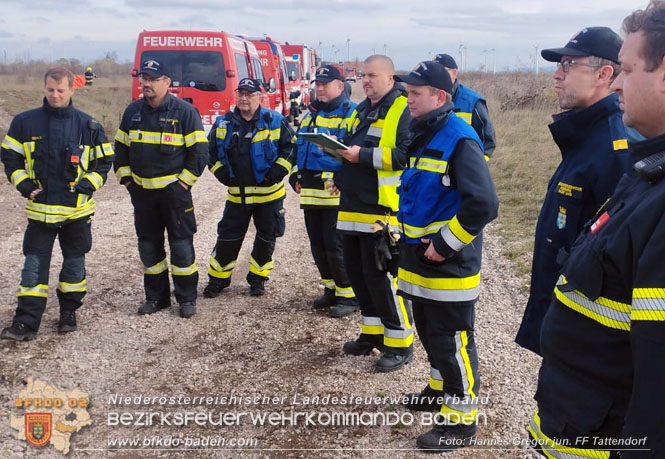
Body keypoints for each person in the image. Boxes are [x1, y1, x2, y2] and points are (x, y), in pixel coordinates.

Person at [528, 2, 665, 457]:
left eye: (627, 69)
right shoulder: (645, 172)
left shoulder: (623, 152)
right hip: (578, 405)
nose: (621, 84)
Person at [393, 62, 499, 451]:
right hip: (420, 261)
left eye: (415, 95)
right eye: (407, 94)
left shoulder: (459, 138)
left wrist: (445, 244)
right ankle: (438, 389)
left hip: (447, 264)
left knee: (453, 341)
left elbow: (484, 204)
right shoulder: (424, 132)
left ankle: (460, 422)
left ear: (440, 97)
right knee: (430, 332)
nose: (408, 101)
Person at [515, 27, 632, 355]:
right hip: (563, 314)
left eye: (568, 65)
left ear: (604, 74)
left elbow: (615, 260)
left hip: (584, 333)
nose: (556, 75)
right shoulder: (585, 135)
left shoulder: (614, 148)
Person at [0, 67, 114, 341]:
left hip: (77, 214)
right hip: (40, 214)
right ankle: (26, 323)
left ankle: (68, 314)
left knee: (74, 267)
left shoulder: (89, 126)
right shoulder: (24, 123)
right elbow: (10, 158)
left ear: (72, 90)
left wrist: (89, 184)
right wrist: (25, 185)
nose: (55, 95)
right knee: (32, 269)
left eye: (61, 90)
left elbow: (105, 161)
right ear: (44, 88)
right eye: (50, 89)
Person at [335, 55, 413, 372]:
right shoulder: (362, 108)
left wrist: (361, 156)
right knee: (359, 276)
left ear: (390, 78)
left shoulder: (402, 108)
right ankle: (372, 333)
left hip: (382, 211)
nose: (366, 81)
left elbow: (404, 155)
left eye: (372, 75)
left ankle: (399, 344)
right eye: (363, 76)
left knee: (382, 279)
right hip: (352, 207)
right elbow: (351, 144)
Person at [114, 59, 207, 318]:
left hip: (174, 195)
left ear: (167, 82)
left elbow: (199, 153)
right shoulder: (132, 112)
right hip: (143, 196)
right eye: (144, 78)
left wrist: (183, 184)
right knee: (149, 248)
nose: (146, 83)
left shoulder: (185, 112)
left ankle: (187, 299)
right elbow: (120, 149)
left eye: (153, 79)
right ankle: (156, 298)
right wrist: (127, 181)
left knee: (181, 248)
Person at [203, 78, 295, 297]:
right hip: (237, 197)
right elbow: (209, 151)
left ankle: (258, 279)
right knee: (227, 239)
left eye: (249, 94)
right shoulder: (223, 123)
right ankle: (218, 279)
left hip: (269, 196)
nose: (244, 99)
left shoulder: (275, 121)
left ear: (260, 97)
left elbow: (291, 149)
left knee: (266, 240)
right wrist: (220, 173)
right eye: (241, 94)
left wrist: (276, 173)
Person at [289, 65, 359, 316]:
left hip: (334, 192)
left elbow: (354, 152)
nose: (319, 88)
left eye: (325, 84)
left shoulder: (351, 113)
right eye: (317, 84)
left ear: (340, 86)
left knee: (336, 246)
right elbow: (298, 147)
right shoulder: (310, 115)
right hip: (310, 191)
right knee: (318, 246)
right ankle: (331, 290)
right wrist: (295, 174)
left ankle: (349, 296)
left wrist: (343, 177)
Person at [433, 53, 496, 159]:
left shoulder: (472, 101)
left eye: (441, 71)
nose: (436, 76)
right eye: (433, 72)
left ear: (454, 73)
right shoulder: (427, 98)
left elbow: (487, 141)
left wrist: (475, 165)